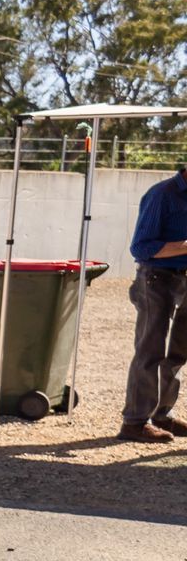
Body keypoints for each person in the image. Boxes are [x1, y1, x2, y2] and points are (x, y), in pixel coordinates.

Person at [117, 163, 187, 443]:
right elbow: (141, 247)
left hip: (183, 279)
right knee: (150, 350)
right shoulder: (162, 194)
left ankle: (162, 415)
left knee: (179, 352)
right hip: (155, 280)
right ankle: (134, 423)